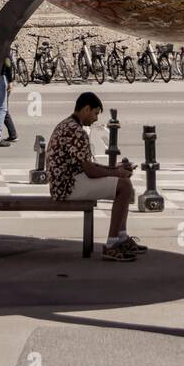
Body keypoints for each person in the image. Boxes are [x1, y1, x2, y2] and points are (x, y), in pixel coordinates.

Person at [47, 92, 145, 261]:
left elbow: (87, 166)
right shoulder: (77, 131)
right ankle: (112, 244)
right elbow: (90, 171)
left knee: (123, 183)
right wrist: (116, 172)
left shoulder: (68, 125)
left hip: (65, 182)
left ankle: (121, 238)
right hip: (67, 187)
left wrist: (115, 169)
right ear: (86, 109)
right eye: (95, 113)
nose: (96, 118)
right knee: (124, 186)